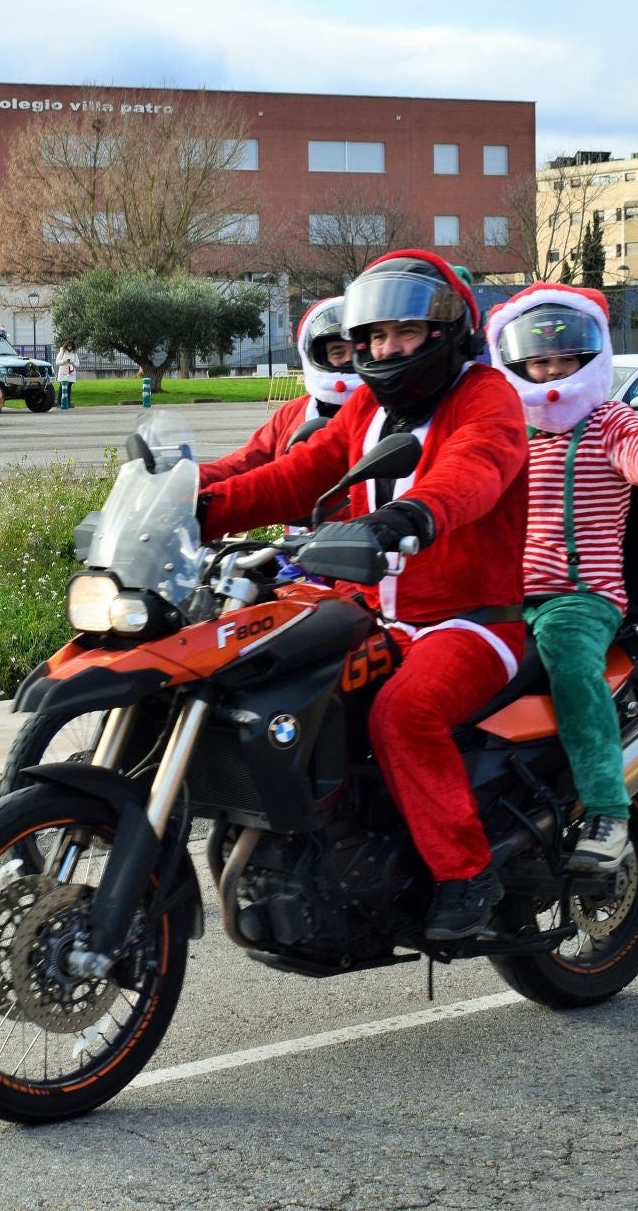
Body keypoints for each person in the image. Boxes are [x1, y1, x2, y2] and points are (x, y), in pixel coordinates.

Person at [196, 250, 527, 940]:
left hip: (469, 622)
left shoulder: (486, 396)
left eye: (403, 332)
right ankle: (327, 847)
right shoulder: (368, 411)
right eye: (374, 337)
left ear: (446, 330)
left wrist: (413, 515)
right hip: (374, 614)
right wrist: (190, 504)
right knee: (274, 678)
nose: (386, 349)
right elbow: (293, 476)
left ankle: (468, 874)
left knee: (404, 715)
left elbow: (477, 468)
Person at [487, 284, 638, 872]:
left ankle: (606, 809)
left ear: (586, 360)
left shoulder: (605, 421)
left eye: (564, 360)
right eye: (540, 362)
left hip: (578, 597)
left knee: (571, 666)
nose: (552, 373)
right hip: (500, 596)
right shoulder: (506, 429)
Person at [198, 295, 355, 490]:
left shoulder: (387, 412)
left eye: (357, 351)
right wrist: (190, 478)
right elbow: (244, 463)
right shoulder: (292, 414)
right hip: (306, 519)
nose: (349, 360)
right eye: (338, 352)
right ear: (319, 355)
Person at [56, 341, 80, 410]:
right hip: (63, 373)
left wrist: (72, 362)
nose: (70, 347)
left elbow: (78, 364)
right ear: (66, 346)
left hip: (71, 373)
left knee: (69, 388)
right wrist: (64, 361)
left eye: (71, 346)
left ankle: (68, 403)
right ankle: (59, 403)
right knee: (62, 387)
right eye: (69, 346)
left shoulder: (75, 353)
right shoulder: (62, 351)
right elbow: (57, 362)